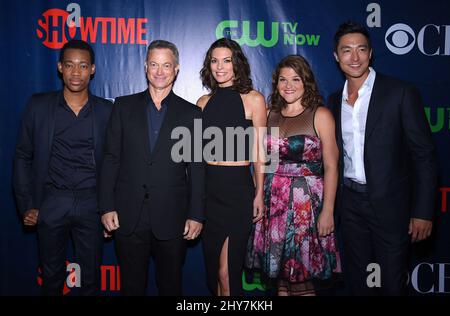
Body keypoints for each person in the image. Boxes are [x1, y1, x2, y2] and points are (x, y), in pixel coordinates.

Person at [327, 21, 438, 295]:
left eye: (361, 50)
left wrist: (422, 212)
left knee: (392, 284)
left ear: (371, 53)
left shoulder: (400, 93)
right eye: (347, 50)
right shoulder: (332, 101)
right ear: (336, 56)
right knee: (358, 283)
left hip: (391, 206)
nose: (355, 58)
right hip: (350, 204)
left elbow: (424, 155)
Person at [99, 40, 204, 296]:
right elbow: (111, 159)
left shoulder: (192, 114)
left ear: (176, 69)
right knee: (131, 288)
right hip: (128, 215)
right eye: (154, 64)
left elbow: (197, 168)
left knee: (170, 287)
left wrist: (196, 214)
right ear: (146, 67)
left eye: (166, 65)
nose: (160, 71)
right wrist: (106, 206)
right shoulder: (123, 107)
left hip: (172, 216)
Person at [13, 40, 112, 295]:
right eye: (69, 65)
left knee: (91, 280)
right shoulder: (39, 106)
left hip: (92, 203)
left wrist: (110, 208)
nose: (76, 72)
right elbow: (23, 156)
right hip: (52, 201)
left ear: (92, 69)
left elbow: (117, 163)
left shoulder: (107, 111)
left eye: (82, 66)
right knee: (51, 277)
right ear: (60, 68)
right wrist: (27, 204)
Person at [246, 55, 341, 296]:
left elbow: (331, 165)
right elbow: (258, 156)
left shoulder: (320, 115)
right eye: (283, 79)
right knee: (281, 281)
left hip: (306, 207)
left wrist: (328, 210)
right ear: (276, 84)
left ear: (306, 82)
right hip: (273, 202)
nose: (288, 85)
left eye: (295, 79)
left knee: (302, 278)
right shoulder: (268, 114)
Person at [197, 38, 266, 296]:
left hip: (238, 191)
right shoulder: (203, 103)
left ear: (237, 64)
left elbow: (260, 151)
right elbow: (194, 155)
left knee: (227, 273)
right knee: (214, 272)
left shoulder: (254, 100)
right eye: (214, 61)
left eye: (226, 60)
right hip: (209, 191)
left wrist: (260, 192)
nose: (220, 67)